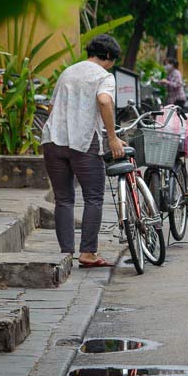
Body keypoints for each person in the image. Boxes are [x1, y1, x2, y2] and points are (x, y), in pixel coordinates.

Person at [41, 34, 125, 268]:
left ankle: (65, 253)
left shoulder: (68, 72)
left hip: (52, 141)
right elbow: (105, 101)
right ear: (108, 56)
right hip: (84, 143)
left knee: (64, 199)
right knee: (93, 197)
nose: (112, 64)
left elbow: (51, 107)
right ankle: (88, 253)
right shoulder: (104, 76)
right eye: (113, 60)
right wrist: (112, 137)